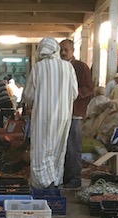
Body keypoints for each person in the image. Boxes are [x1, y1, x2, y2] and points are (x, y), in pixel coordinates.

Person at [25, 37, 78, 189]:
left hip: (43, 116)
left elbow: (29, 96)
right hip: (63, 117)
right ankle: (54, 181)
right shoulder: (68, 67)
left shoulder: (38, 68)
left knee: (41, 150)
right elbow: (74, 93)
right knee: (57, 148)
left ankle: (42, 184)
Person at [59, 38, 93, 189]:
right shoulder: (58, 67)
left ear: (73, 51)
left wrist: (73, 94)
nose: (63, 53)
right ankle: (65, 176)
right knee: (62, 146)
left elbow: (88, 89)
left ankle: (75, 177)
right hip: (60, 114)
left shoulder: (81, 67)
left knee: (73, 146)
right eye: (61, 50)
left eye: (66, 50)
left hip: (75, 113)